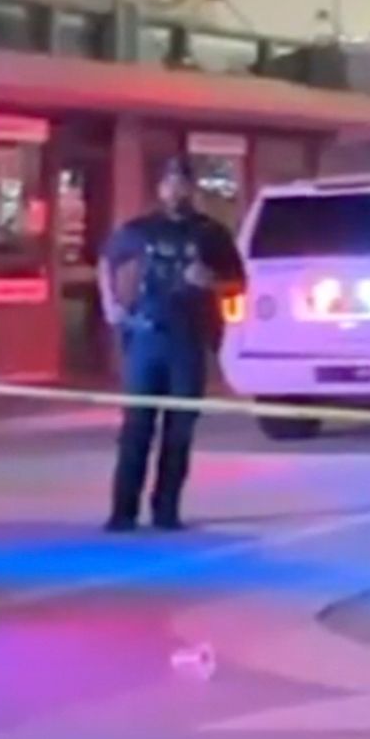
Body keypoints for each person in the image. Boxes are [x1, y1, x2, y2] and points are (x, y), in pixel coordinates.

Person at [100, 158, 244, 532]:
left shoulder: (211, 234)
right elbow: (108, 260)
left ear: (192, 188)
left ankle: (166, 511)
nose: (175, 190)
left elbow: (238, 283)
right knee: (136, 428)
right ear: (160, 188)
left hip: (189, 340)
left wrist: (210, 281)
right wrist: (111, 305)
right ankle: (122, 512)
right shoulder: (140, 230)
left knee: (179, 431)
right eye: (169, 183)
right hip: (146, 336)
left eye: (182, 183)